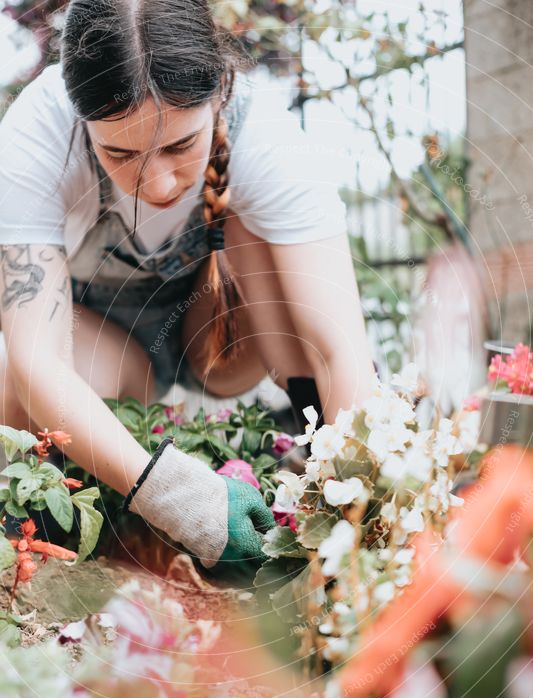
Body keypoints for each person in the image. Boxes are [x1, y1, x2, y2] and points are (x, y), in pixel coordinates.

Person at [0, 0, 377, 577]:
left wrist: (359, 505)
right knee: (12, 379)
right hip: (104, 345)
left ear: (220, 90)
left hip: (221, 336)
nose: (159, 182)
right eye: (120, 152)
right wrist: (175, 496)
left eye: (181, 146)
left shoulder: (268, 136)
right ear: (82, 118)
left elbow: (338, 349)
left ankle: (307, 442)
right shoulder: (38, 131)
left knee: (276, 255)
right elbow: (38, 361)